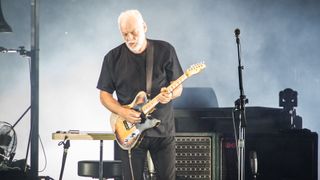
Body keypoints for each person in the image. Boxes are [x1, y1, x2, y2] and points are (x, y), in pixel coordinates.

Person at [97, 9, 183, 180]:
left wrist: (170, 95)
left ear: (144, 27)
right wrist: (122, 112)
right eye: (124, 34)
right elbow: (104, 95)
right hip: (129, 133)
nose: (129, 38)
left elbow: (178, 87)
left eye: (134, 32)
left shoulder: (165, 50)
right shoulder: (112, 58)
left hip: (162, 130)